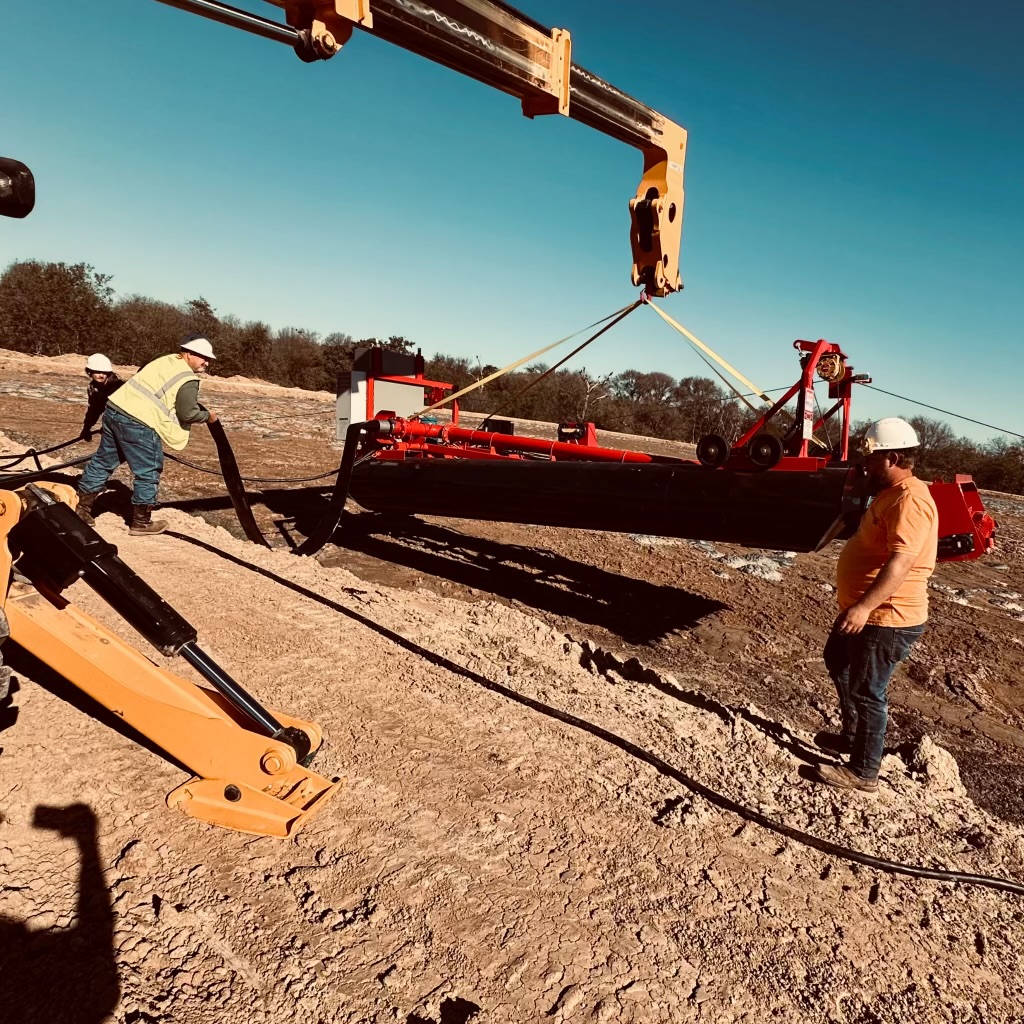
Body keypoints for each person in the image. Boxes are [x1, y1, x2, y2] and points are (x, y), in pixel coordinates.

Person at [813, 417, 938, 794]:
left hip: (886, 617)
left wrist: (864, 607)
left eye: (871, 458)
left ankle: (864, 771)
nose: (864, 464)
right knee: (837, 660)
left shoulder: (910, 500)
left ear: (893, 458)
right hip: (867, 610)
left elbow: (901, 561)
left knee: (870, 691)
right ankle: (852, 737)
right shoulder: (889, 493)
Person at [75, 334, 219, 536]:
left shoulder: (163, 359)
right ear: (188, 354)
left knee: (103, 461)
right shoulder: (188, 378)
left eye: (209, 359)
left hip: (115, 410)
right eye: (203, 358)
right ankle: (141, 522)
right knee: (148, 470)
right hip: (139, 422)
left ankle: (82, 509)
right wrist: (208, 416)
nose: (207, 363)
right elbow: (188, 413)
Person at [79, 353, 122, 441]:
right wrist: (87, 428)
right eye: (98, 372)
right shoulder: (93, 389)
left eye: (104, 373)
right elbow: (94, 410)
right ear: (89, 372)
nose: (101, 375)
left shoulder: (119, 388)